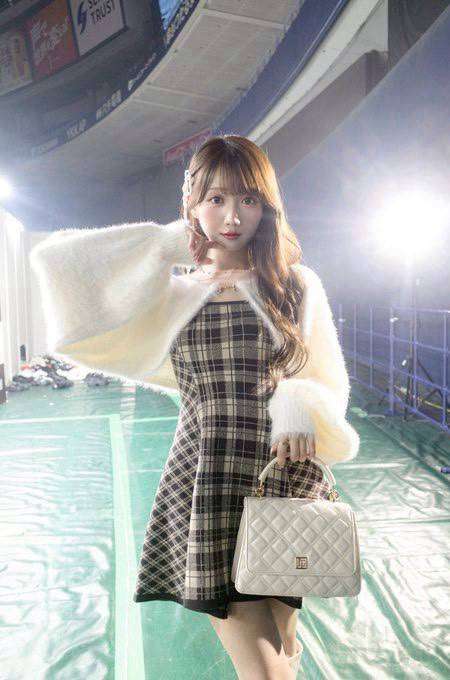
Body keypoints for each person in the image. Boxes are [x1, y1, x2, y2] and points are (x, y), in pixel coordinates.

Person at [29, 135, 360, 680]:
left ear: (267, 206)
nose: (232, 217)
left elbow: (324, 375)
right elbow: (58, 263)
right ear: (193, 204)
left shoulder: (295, 285)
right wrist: (164, 244)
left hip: (282, 474)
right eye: (216, 199)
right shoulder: (176, 292)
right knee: (265, 669)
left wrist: (297, 400)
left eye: (248, 200)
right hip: (205, 477)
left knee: (284, 639)